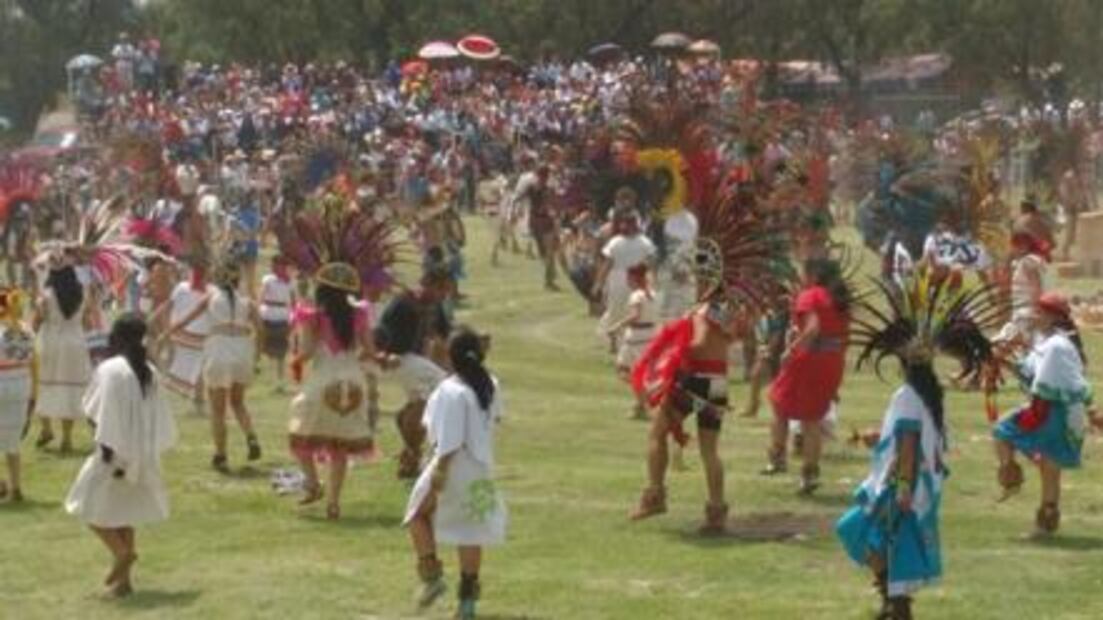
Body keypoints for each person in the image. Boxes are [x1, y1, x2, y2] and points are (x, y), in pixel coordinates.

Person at [838, 268, 997, 620]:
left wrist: (903, 487)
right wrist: (876, 437)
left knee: (857, 530)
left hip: (902, 483)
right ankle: (894, 603)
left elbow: (909, 444)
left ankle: (895, 604)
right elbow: (906, 436)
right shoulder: (927, 395)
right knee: (888, 543)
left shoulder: (909, 395)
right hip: (911, 480)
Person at [64, 314, 177, 598]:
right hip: (142, 453)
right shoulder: (149, 370)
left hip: (113, 452)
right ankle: (124, 583)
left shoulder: (110, 369)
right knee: (123, 512)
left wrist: (108, 449)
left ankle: (122, 553)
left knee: (87, 504)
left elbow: (95, 411)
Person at [403, 328, 505, 620]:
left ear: (451, 356)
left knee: (416, 516)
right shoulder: (490, 384)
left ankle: (432, 576)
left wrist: (439, 473)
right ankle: (468, 604)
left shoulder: (449, 390)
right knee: (470, 532)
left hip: (450, 464)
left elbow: (449, 439)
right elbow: (493, 419)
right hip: (481, 468)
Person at [629, 292, 739, 534]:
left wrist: (674, 353)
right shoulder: (726, 314)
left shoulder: (703, 311)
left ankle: (655, 497)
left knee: (657, 434)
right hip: (718, 383)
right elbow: (728, 339)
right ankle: (716, 514)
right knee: (710, 451)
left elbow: (699, 343)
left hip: (695, 380)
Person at [993, 293, 1094, 536]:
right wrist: (1002, 359)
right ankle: (1014, 478)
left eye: (1039, 312)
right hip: (1050, 407)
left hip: (1055, 410)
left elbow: (1050, 384)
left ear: (1052, 317)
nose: (1035, 316)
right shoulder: (1048, 342)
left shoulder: (1057, 346)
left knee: (1047, 466)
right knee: (1008, 436)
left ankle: (1041, 519)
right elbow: (1031, 374)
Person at [287, 263, 378, 520]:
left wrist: (294, 361)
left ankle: (313, 483)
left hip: (323, 380)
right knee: (340, 447)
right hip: (353, 382)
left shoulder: (313, 316)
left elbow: (305, 352)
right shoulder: (359, 314)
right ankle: (334, 503)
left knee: (300, 433)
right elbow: (370, 350)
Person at [164, 259, 261, 473]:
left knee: (218, 410)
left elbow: (185, 320)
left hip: (219, 349)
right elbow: (260, 329)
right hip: (242, 349)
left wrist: (166, 334)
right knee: (238, 403)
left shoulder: (211, 298)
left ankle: (221, 455)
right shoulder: (248, 301)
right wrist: (257, 356)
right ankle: (251, 435)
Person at [764, 258, 850, 495]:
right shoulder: (839, 300)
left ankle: (777, 457)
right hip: (833, 361)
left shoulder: (810, 295)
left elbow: (812, 328)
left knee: (778, 402)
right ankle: (809, 474)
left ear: (812, 275)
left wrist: (791, 350)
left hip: (810, 358)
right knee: (811, 418)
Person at [376, 272, 451, 479]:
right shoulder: (403, 302)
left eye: (446, 290)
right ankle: (412, 451)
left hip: (414, 360)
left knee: (424, 400)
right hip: (397, 358)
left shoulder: (435, 307)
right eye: (441, 289)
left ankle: (409, 448)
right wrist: (381, 355)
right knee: (440, 388)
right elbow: (381, 332)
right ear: (427, 283)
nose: (444, 295)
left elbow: (442, 337)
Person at [34, 264, 93, 454]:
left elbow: (37, 320)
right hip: (75, 343)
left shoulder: (46, 295)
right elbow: (88, 324)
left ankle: (46, 428)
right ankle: (66, 438)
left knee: (43, 385)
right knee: (70, 389)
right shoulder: (82, 293)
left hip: (51, 341)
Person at [593, 208, 656, 354]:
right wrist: (598, 283)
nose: (624, 227)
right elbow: (607, 264)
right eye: (623, 224)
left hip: (635, 278)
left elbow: (651, 264)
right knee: (616, 310)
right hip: (619, 278)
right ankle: (614, 342)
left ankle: (624, 342)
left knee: (631, 310)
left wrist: (652, 282)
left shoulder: (643, 242)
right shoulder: (617, 242)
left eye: (627, 223)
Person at [155, 261, 212, 416]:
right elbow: (169, 305)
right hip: (179, 335)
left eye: (201, 271)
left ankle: (198, 405)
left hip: (199, 337)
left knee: (199, 373)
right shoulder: (182, 288)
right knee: (172, 369)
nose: (197, 275)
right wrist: (162, 324)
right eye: (195, 271)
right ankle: (163, 403)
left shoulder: (211, 291)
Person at [606, 264, 657, 419]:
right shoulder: (652, 294)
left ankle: (645, 398)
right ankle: (640, 406)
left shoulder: (636, 296)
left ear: (634, 278)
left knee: (624, 371)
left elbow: (635, 315)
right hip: (649, 335)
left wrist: (617, 326)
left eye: (628, 277)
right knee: (638, 372)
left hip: (635, 337)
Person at [0, 288, 35, 503]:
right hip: (21, 383)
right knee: (12, 440)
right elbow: (33, 357)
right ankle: (16, 487)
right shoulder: (27, 330)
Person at [259, 256, 295, 393]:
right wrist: (260, 309)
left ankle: (280, 381)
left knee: (281, 351)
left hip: (283, 315)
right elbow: (262, 295)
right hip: (269, 313)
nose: (274, 267)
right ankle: (272, 378)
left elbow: (293, 300)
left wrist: (293, 317)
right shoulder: (268, 279)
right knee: (269, 348)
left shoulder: (290, 282)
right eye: (273, 264)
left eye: (277, 264)